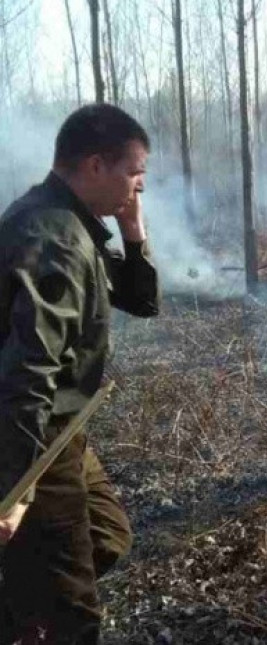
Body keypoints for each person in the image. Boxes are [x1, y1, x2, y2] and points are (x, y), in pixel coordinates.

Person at [0, 104, 160, 643]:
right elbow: (30, 368)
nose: (139, 186)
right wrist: (14, 489)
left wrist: (133, 233)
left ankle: (24, 606)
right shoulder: (54, 235)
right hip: (37, 441)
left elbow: (139, 300)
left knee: (108, 538)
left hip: (64, 433)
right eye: (135, 173)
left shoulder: (72, 224)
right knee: (72, 618)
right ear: (96, 165)